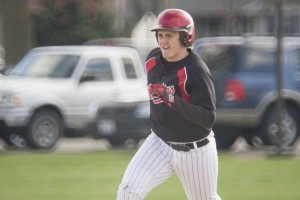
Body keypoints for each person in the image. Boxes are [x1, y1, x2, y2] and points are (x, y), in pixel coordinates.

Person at [117, 8, 221, 200]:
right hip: (159, 143)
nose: (163, 41)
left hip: (195, 150)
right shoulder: (152, 60)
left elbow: (208, 118)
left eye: (170, 36)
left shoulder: (197, 71)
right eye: (160, 35)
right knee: (128, 191)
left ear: (185, 37)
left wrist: (172, 100)